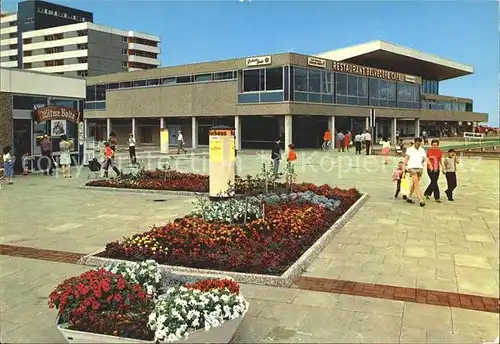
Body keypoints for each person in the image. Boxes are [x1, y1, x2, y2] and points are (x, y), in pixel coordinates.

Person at [404, 137, 429, 207]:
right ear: (414, 142)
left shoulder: (422, 149)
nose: (419, 145)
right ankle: (421, 200)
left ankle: (408, 196)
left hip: (419, 168)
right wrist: (404, 169)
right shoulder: (409, 149)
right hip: (412, 168)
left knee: (415, 184)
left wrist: (429, 164)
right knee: (417, 184)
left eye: (420, 144)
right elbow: (406, 159)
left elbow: (424, 158)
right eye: (417, 143)